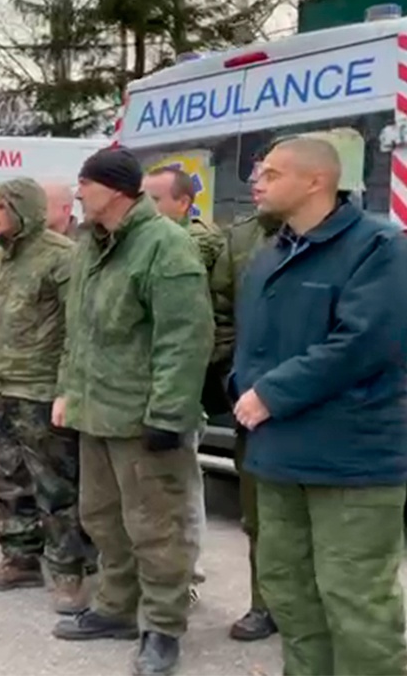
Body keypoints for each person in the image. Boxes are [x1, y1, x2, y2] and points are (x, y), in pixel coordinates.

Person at [234, 137, 407, 676]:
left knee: (355, 598)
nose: (257, 182)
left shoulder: (381, 247)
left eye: (272, 173)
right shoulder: (273, 253)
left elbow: (364, 342)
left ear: (317, 181)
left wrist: (269, 394)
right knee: (288, 588)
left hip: (353, 457)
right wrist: (241, 384)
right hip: (280, 453)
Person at [51, 148, 212, 676]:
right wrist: (66, 392)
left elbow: (184, 339)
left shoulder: (165, 245)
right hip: (96, 412)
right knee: (102, 516)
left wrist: (168, 414)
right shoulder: (91, 247)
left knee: (157, 527)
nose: (78, 194)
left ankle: (163, 627)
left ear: (117, 190)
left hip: (143, 419)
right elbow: (79, 334)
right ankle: (116, 608)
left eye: (85, 185)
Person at [0, 179, 86, 614]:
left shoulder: (61, 257)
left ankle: (68, 570)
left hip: (39, 392)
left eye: (0, 206)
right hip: (0, 387)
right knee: (6, 479)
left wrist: (66, 389)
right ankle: (18, 557)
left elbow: (77, 331)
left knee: (55, 486)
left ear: (26, 209)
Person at [143, 164, 226, 601]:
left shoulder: (196, 244)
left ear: (183, 203)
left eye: (155, 199)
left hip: (180, 388)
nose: (147, 208)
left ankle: (185, 578)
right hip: (140, 386)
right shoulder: (141, 243)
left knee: (181, 490)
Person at [206, 202, 283, 642]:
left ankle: (318, 612)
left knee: (327, 524)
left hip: (325, 411)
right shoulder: (240, 239)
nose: (258, 184)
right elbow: (218, 312)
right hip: (251, 408)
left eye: (272, 174)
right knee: (258, 516)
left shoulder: (366, 242)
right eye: (258, 173)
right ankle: (265, 604)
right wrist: (232, 377)